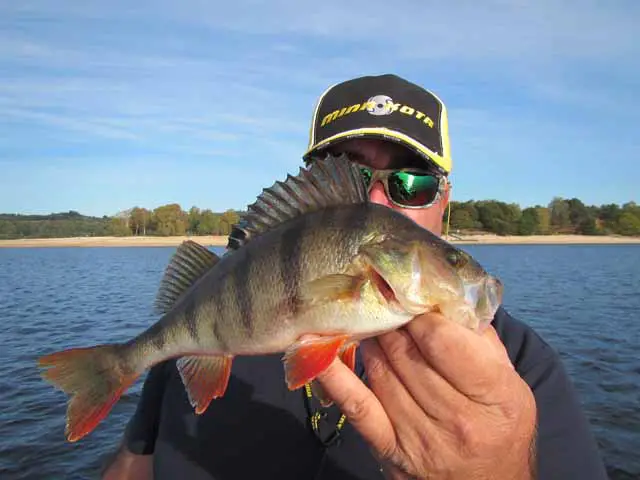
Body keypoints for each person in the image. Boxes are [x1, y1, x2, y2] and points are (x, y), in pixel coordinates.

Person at [102, 74, 608, 480]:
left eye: (411, 183)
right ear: (311, 184)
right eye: (349, 172)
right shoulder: (196, 333)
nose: (377, 201)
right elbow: (131, 467)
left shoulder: (523, 367)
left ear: (444, 201)